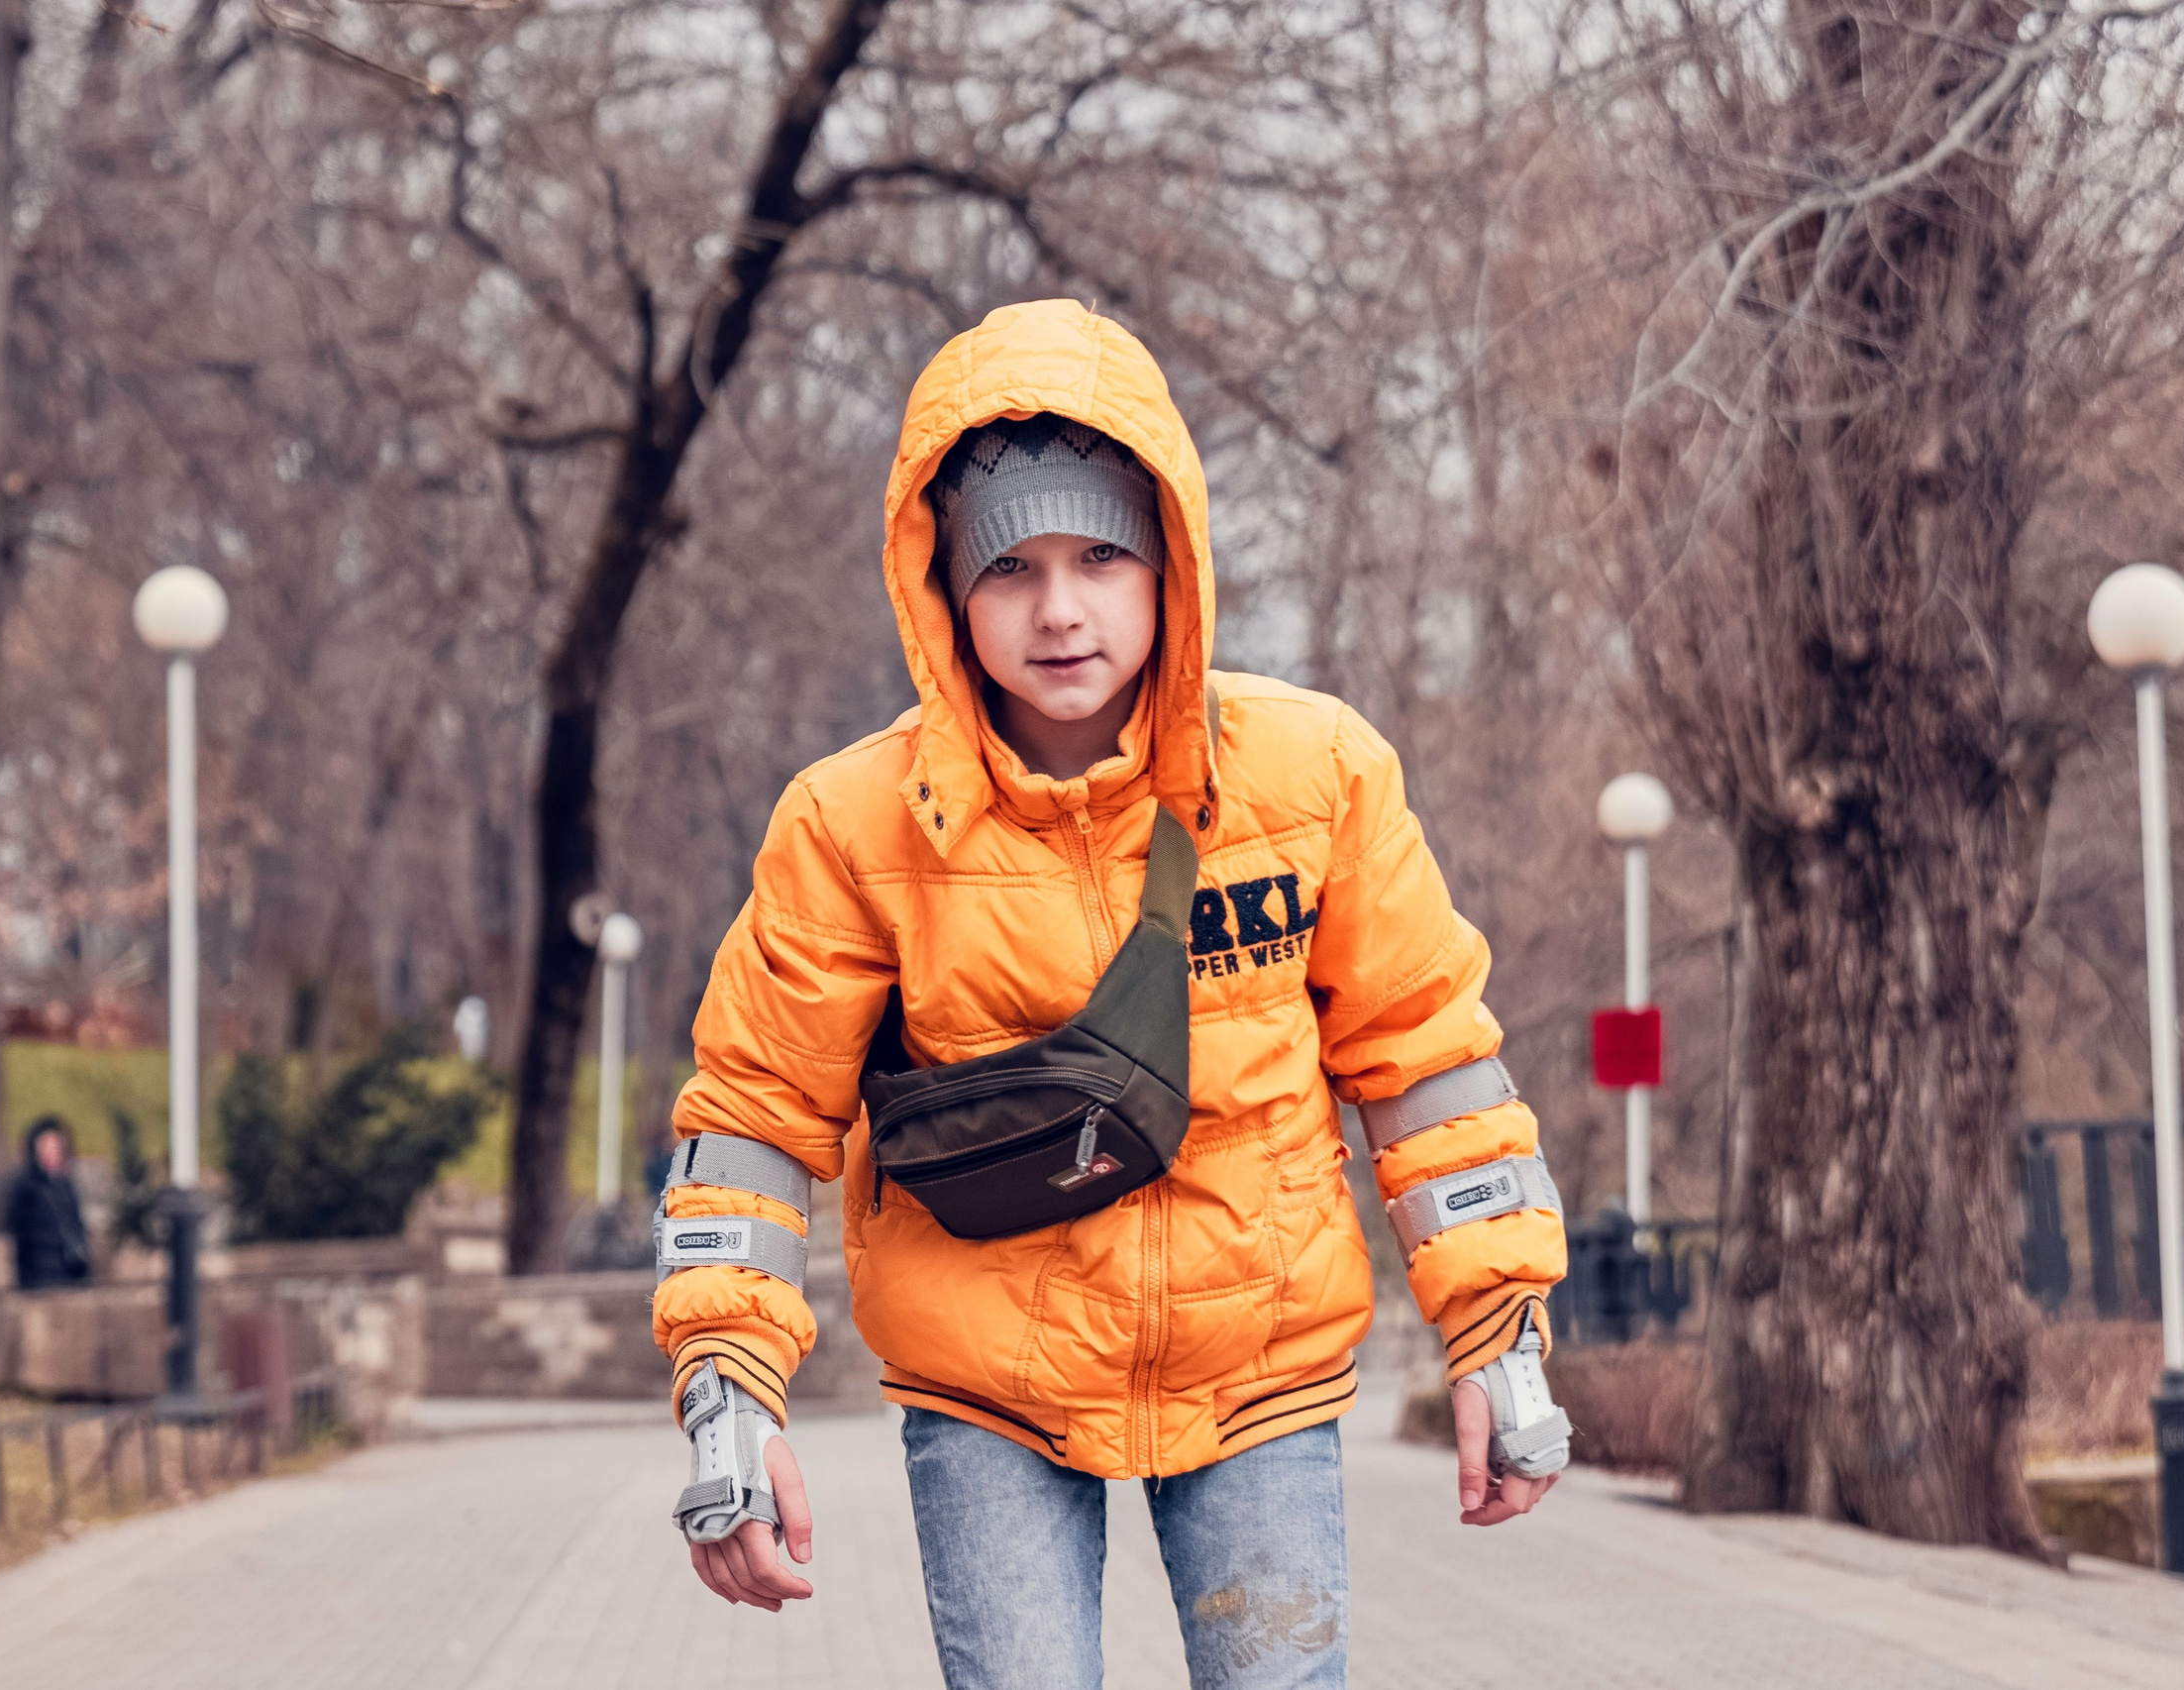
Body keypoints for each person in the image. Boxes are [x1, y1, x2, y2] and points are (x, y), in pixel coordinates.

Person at [652, 299, 1569, 1689]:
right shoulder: (853, 823)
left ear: (1171, 565)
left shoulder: (1312, 777)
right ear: (947, 591)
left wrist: (1501, 1340)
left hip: (1257, 1359)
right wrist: (727, 1393)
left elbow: (1424, 1058)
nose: (1060, 608)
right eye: (1009, 566)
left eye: (1100, 555)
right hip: (989, 1385)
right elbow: (758, 1116)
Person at [4, 1115, 92, 1292]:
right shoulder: (24, 1187)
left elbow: (76, 1226)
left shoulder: (66, 1184)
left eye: (57, 1146)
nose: (54, 1152)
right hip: (40, 1276)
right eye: (47, 1146)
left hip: (71, 1272)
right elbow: (15, 1232)